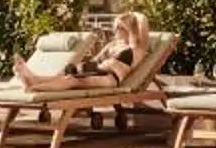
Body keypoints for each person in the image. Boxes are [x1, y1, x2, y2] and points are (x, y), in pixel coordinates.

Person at [18, 12, 150, 92]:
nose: (115, 30)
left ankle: (33, 88)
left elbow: (142, 21)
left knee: (71, 81)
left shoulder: (136, 49)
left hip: (109, 78)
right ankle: (34, 79)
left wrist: (132, 16)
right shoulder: (112, 45)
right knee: (68, 73)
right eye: (115, 27)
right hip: (97, 70)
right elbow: (95, 60)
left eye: (120, 27)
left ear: (129, 29)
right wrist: (83, 67)